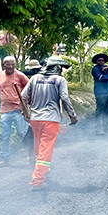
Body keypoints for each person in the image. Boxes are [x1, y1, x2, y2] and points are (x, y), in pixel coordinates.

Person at [19, 56, 77, 190]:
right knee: (46, 149)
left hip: (35, 119)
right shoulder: (59, 80)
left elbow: (23, 97)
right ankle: (37, 180)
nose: (61, 71)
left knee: (38, 146)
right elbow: (65, 98)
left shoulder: (34, 78)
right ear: (56, 68)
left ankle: (40, 169)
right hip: (51, 119)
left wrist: (25, 112)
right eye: (60, 68)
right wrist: (72, 116)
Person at [0, 56, 30, 166]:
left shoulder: (20, 76)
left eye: (13, 64)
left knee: (23, 133)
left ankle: (30, 156)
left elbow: (30, 89)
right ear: (3, 65)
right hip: (5, 111)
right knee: (4, 135)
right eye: (8, 64)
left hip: (18, 111)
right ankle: (4, 159)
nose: (11, 66)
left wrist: (24, 105)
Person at [91, 53, 108, 133]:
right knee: (99, 110)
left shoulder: (106, 68)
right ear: (96, 61)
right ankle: (98, 129)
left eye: (103, 60)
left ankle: (106, 127)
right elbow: (101, 78)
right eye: (99, 60)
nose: (101, 62)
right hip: (100, 92)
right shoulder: (95, 69)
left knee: (107, 110)